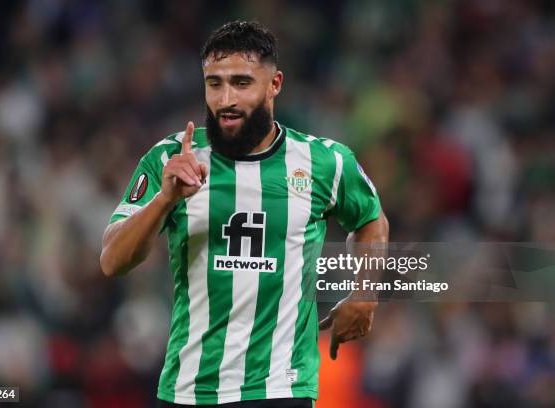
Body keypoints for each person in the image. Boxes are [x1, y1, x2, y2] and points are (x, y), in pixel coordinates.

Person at [100, 20, 389, 408]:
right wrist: (164, 200)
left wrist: (366, 294)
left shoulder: (324, 162)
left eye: (241, 83)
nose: (225, 99)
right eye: (214, 83)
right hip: (190, 388)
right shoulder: (171, 160)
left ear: (275, 84)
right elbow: (112, 261)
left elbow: (371, 219)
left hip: (281, 387)